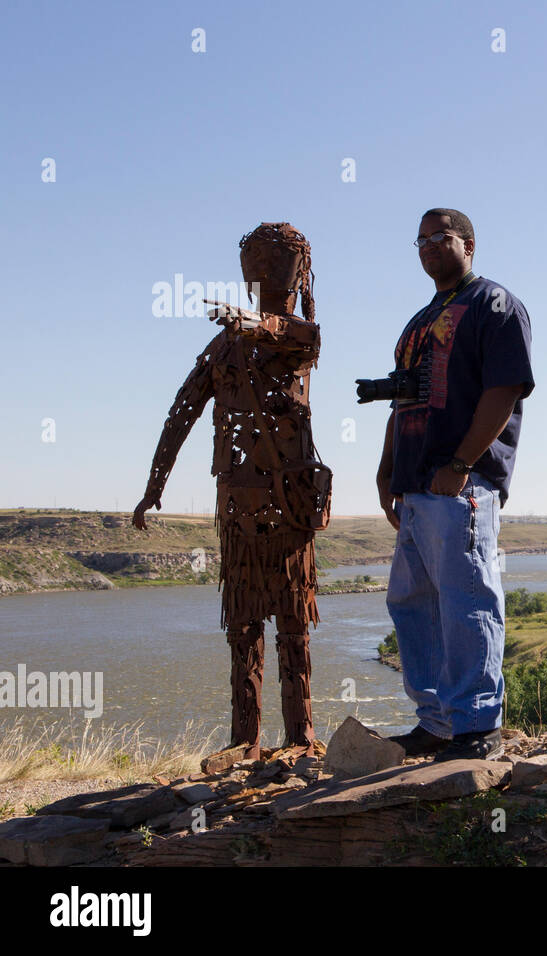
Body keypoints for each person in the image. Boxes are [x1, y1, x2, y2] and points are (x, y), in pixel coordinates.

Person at [134, 222, 330, 753]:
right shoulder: (222, 350)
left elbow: (291, 336)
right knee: (243, 626)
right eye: (256, 266)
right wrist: (155, 485)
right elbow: (182, 412)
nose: (265, 275)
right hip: (239, 507)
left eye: (276, 264)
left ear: (299, 272)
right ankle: (244, 739)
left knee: (293, 623)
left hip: (289, 508)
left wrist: (250, 321)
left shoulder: (300, 338)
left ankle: (301, 734)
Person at [377, 208, 534, 760]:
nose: (427, 247)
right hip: (417, 484)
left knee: (467, 601)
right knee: (414, 604)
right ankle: (438, 722)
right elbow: (403, 401)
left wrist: (463, 463)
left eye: (439, 237)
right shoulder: (419, 319)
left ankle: (476, 726)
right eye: (419, 239)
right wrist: (386, 468)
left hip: (461, 485)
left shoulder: (494, 304)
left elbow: (505, 389)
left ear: (468, 243)